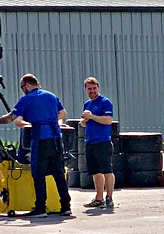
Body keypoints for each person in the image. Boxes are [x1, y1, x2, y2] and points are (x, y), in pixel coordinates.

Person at [0, 73, 71, 217]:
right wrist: (47, 119)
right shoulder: (51, 96)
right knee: (58, 173)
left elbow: (10, 119)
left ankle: (40, 208)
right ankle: (66, 206)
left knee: (38, 173)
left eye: (22, 87)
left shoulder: (27, 99)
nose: (22, 90)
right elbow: (63, 113)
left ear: (26, 85)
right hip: (56, 138)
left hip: (40, 139)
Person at [80, 77, 116, 208]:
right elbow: (83, 122)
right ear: (86, 89)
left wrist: (92, 117)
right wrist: (84, 120)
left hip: (103, 141)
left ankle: (109, 197)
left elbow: (108, 120)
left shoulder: (105, 102)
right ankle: (99, 198)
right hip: (90, 142)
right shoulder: (87, 104)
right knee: (95, 172)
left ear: (98, 88)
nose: (92, 91)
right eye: (89, 89)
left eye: (94, 88)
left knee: (107, 170)